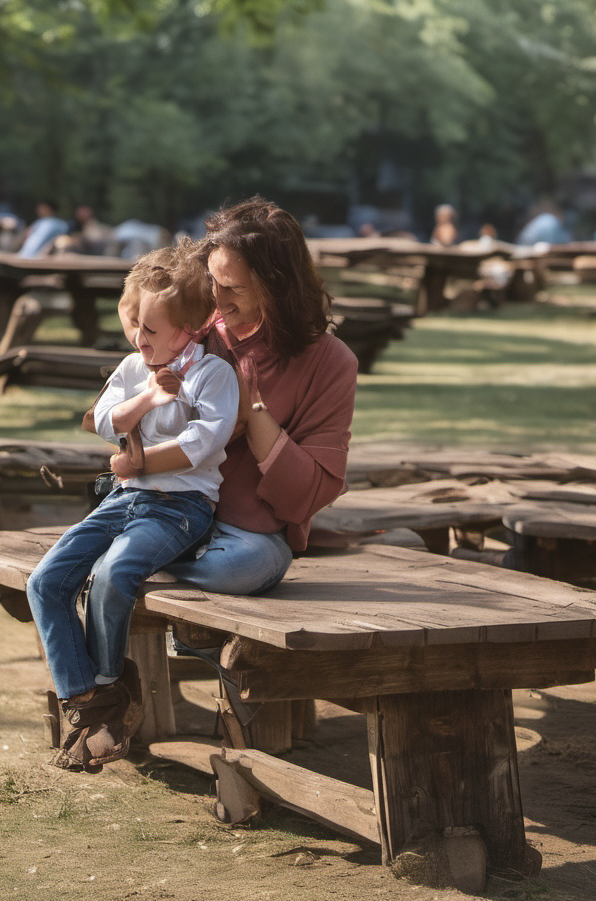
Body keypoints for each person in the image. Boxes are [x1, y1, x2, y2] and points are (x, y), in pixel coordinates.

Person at [26, 243, 240, 773]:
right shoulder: (132, 367)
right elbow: (102, 420)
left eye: (151, 330)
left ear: (190, 328)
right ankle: (93, 701)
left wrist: (138, 465)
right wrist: (145, 399)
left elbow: (204, 443)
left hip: (181, 508)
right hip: (124, 501)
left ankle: (104, 688)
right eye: (136, 326)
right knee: (45, 582)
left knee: (113, 572)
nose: (139, 339)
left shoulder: (214, 376)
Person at [156, 196, 359, 597]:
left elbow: (306, 495)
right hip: (165, 509)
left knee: (247, 565)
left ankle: (143, 565)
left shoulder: (331, 361)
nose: (217, 299)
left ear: (278, 288)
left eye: (233, 288)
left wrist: (251, 413)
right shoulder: (191, 326)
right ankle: (144, 558)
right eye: (212, 280)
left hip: (245, 534)